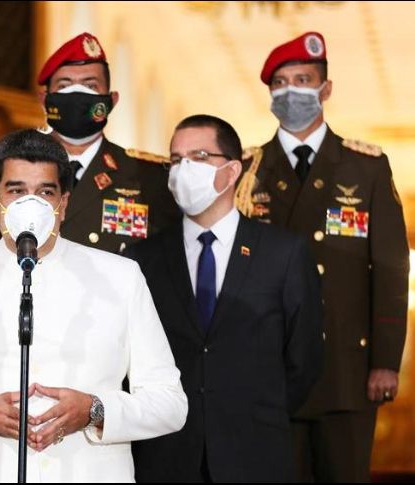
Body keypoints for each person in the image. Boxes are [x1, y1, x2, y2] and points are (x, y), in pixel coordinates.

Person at [0, 129, 187, 483]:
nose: (31, 204)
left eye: (45, 192)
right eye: (16, 191)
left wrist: (95, 410)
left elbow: (170, 404)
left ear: (63, 204)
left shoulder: (120, 277)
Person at [234, 32, 409, 481]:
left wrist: (386, 361)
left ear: (325, 89)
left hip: (346, 369)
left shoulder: (365, 167)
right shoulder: (247, 169)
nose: (290, 92)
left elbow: (390, 269)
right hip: (268, 367)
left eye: (303, 80)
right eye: (280, 83)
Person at [127, 115, 324, 482]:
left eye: (199, 156)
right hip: (167, 454)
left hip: (255, 451)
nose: (184, 168)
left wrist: (257, 409)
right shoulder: (142, 259)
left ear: (232, 171)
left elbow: (304, 357)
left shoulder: (282, 253)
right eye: (176, 159)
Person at [0, 32, 180, 256]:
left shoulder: (149, 180)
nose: (77, 95)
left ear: (111, 100)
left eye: (90, 85)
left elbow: (167, 264)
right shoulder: (1, 173)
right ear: (44, 99)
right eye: (64, 85)